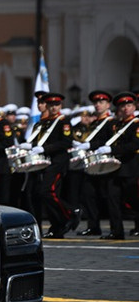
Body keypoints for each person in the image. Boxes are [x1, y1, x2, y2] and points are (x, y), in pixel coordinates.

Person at [18, 92, 79, 238]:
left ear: (61, 105)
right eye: (51, 105)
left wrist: (44, 149)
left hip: (58, 162)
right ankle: (58, 227)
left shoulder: (63, 121)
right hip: (44, 162)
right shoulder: (42, 123)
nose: (53, 107)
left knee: (47, 192)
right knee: (44, 194)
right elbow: (40, 142)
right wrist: (30, 146)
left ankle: (71, 212)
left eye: (56, 104)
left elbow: (66, 142)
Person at [90, 92, 139, 239]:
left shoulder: (136, 124)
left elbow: (134, 145)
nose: (125, 108)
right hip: (116, 167)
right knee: (113, 199)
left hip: (132, 167)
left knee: (134, 199)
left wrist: (112, 149)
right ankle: (116, 231)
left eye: (129, 105)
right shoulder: (116, 125)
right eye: (122, 106)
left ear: (134, 107)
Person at [74, 90, 113, 236]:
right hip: (92, 163)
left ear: (108, 105)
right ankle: (93, 226)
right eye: (96, 102)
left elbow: (109, 141)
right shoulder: (95, 122)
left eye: (101, 102)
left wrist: (90, 145)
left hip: (106, 163)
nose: (98, 105)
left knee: (108, 196)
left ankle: (116, 228)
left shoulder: (111, 122)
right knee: (88, 194)